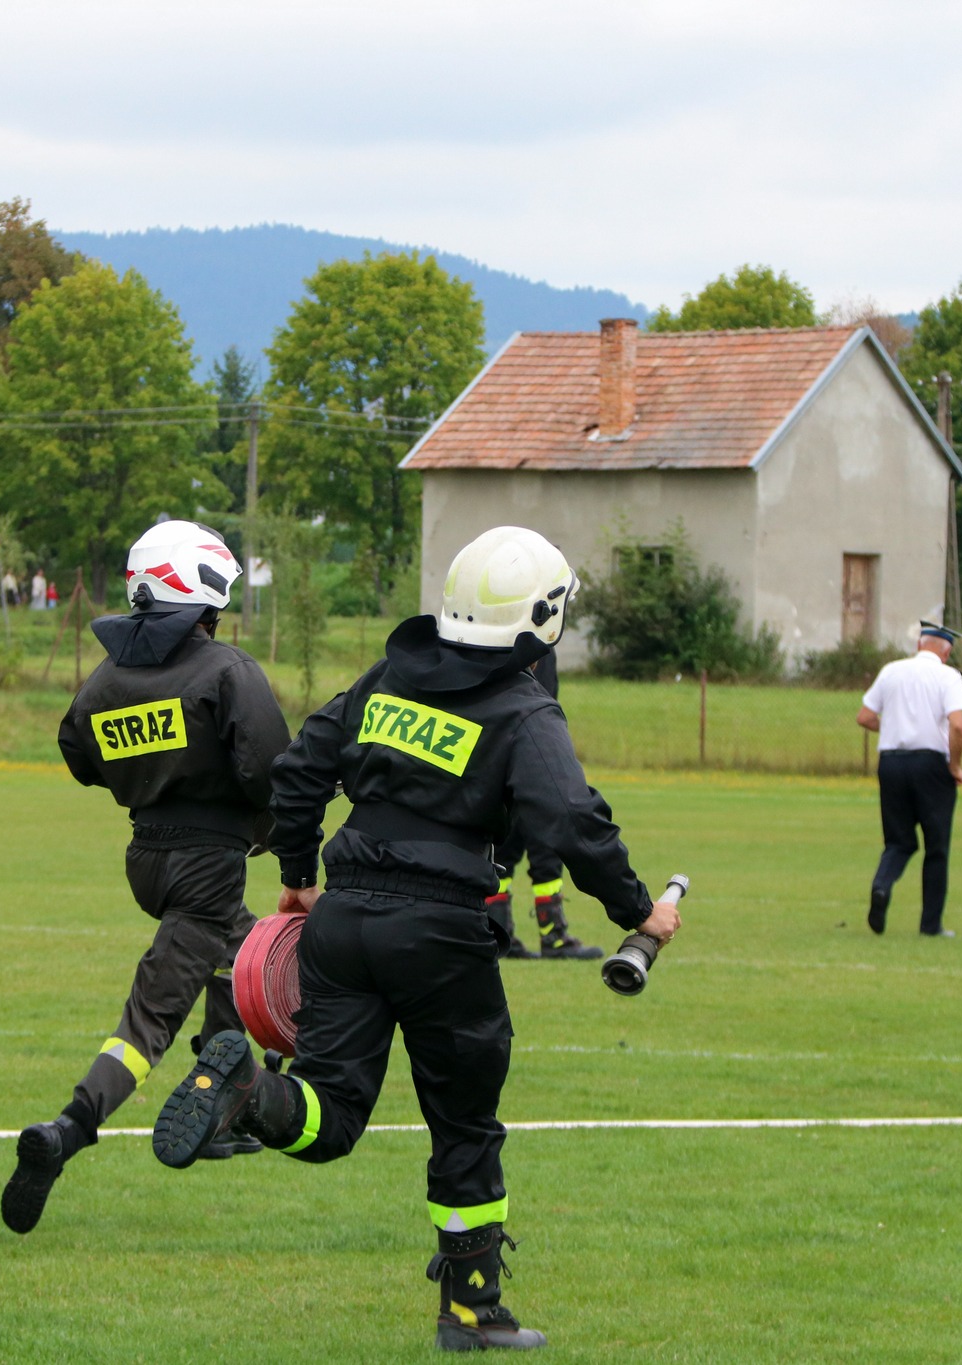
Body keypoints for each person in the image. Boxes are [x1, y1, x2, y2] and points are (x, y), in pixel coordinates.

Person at [151, 526, 684, 1352]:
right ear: (541, 616)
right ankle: (471, 1310)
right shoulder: (523, 707)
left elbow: (299, 770)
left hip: (343, 919)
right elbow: (573, 823)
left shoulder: (388, 677)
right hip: (441, 932)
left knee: (329, 1116)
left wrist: (298, 873)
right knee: (464, 1123)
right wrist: (638, 912)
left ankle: (250, 1091)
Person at [0, 519, 291, 1236]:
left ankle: (223, 1104)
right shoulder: (227, 670)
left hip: (147, 859)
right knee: (150, 1018)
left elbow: (78, 754)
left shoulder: (105, 678)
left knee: (244, 955)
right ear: (201, 591)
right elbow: (269, 770)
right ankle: (68, 1129)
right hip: (206, 865)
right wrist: (274, 836)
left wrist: (156, 779)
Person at [482, 652, 601, 961]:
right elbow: (539, 699)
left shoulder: (496, 643)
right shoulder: (539, 647)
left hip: (498, 755)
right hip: (530, 753)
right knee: (546, 848)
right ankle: (553, 935)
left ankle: (498, 932)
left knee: (503, 849)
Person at [856, 622, 962, 937]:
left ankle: (881, 886)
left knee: (898, 841)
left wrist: (894, 727)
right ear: (946, 652)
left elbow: (865, 716)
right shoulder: (948, 677)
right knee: (936, 847)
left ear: (919, 645)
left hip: (891, 763)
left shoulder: (891, 671)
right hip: (931, 766)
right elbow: (958, 725)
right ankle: (930, 925)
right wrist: (955, 766)